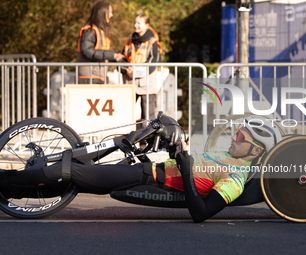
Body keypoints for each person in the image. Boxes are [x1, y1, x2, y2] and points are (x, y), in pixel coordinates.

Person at [0, 116, 282, 222]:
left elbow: (201, 213)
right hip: (149, 168)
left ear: (256, 151)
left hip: (145, 178)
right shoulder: (223, 154)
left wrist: (185, 167)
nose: (235, 136)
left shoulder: (236, 177)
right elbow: (186, 163)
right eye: (237, 132)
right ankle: (9, 187)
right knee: (71, 181)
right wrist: (177, 148)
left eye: (242, 137)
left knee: (70, 170)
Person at [120, 14, 163, 129]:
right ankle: (127, 143)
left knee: (148, 117)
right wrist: (126, 70)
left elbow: (154, 62)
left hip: (147, 85)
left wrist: (136, 72)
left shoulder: (152, 42)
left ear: (147, 25)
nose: (135, 25)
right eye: (135, 22)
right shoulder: (128, 42)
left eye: (139, 23)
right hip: (130, 84)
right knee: (126, 115)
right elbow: (120, 60)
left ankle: (145, 145)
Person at [77, 1, 124, 84]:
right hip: (89, 77)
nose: (111, 15)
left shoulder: (100, 31)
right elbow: (87, 51)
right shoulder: (89, 30)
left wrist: (115, 57)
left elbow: (101, 53)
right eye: (109, 12)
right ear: (102, 12)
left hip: (100, 75)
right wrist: (111, 55)